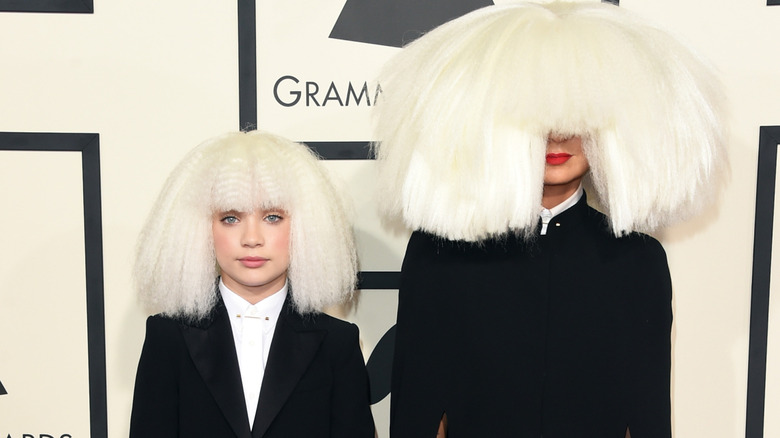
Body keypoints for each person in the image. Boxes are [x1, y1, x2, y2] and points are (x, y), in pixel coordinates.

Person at [372, 2, 726, 438]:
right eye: (537, 118)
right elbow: (418, 411)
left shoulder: (637, 260)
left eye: (576, 117)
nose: (558, 136)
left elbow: (648, 413)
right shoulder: (439, 252)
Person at [129, 131, 375, 438]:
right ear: (200, 228)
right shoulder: (168, 338)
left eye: (272, 217)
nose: (252, 239)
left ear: (305, 225)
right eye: (231, 218)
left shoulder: (337, 343)